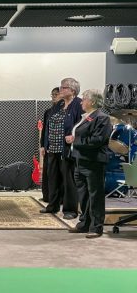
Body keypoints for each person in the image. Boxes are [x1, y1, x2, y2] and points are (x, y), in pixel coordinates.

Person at [68, 89, 112, 238]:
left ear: (92, 101)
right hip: (80, 161)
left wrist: (76, 141)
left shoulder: (102, 118)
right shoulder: (86, 117)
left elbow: (98, 140)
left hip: (94, 162)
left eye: (84, 99)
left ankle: (96, 227)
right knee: (84, 195)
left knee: (95, 196)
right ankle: (84, 223)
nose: (81, 102)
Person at [40, 78, 83, 219]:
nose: (61, 90)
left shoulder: (78, 104)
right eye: (61, 87)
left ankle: (70, 209)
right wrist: (44, 145)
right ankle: (53, 205)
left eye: (64, 88)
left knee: (68, 179)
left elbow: (82, 126)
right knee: (52, 178)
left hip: (66, 149)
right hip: (52, 148)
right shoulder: (58, 105)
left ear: (72, 90)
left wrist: (74, 136)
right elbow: (47, 125)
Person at [40, 87, 61, 202]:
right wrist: (42, 145)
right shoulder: (48, 112)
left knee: (58, 175)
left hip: (59, 147)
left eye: (56, 94)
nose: (53, 96)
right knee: (48, 173)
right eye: (52, 94)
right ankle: (47, 196)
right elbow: (44, 130)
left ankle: (59, 198)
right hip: (49, 146)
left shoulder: (64, 111)